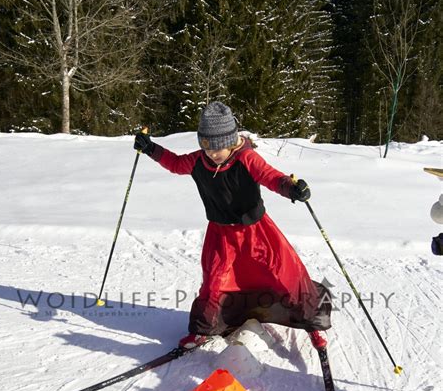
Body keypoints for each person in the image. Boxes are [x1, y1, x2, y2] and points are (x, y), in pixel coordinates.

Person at [134, 101, 331, 350]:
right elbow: (174, 163)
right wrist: (151, 148)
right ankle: (203, 330)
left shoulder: (247, 158)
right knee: (215, 282)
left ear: (232, 140)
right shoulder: (198, 161)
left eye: (220, 147)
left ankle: (311, 322)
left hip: (257, 232)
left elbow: (271, 177)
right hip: (221, 234)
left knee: (285, 274)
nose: (214, 153)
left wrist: (291, 188)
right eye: (207, 146)